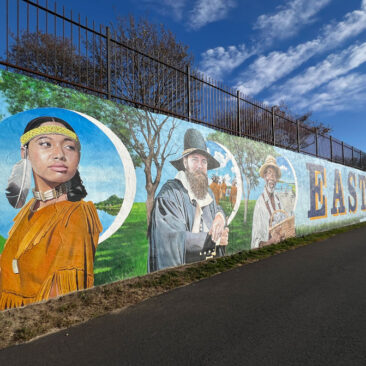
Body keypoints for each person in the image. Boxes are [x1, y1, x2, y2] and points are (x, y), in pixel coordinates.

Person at [0, 116, 102, 310]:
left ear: (78, 157)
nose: (60, 154)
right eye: (46, 144)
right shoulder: (29, 209)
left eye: (69, 147)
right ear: (25, 153)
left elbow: (60, 305)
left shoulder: (75, 214)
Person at [148, 128, 229, 272]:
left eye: (204, 162)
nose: (200, 166)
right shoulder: (169, 195)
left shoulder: (206, 191)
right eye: (194, 160)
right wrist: (214, 239)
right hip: (186, 274)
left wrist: (220, 218)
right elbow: (172, 238)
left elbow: (216, 208)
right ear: (185, 162)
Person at [251, 155, 288, 249]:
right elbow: (255, 243)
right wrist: (271, 242)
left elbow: (284, 224)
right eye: (269, 173)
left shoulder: (279, 201)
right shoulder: (260, 204)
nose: (272, 177)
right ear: (264, 177)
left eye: (275, 175)